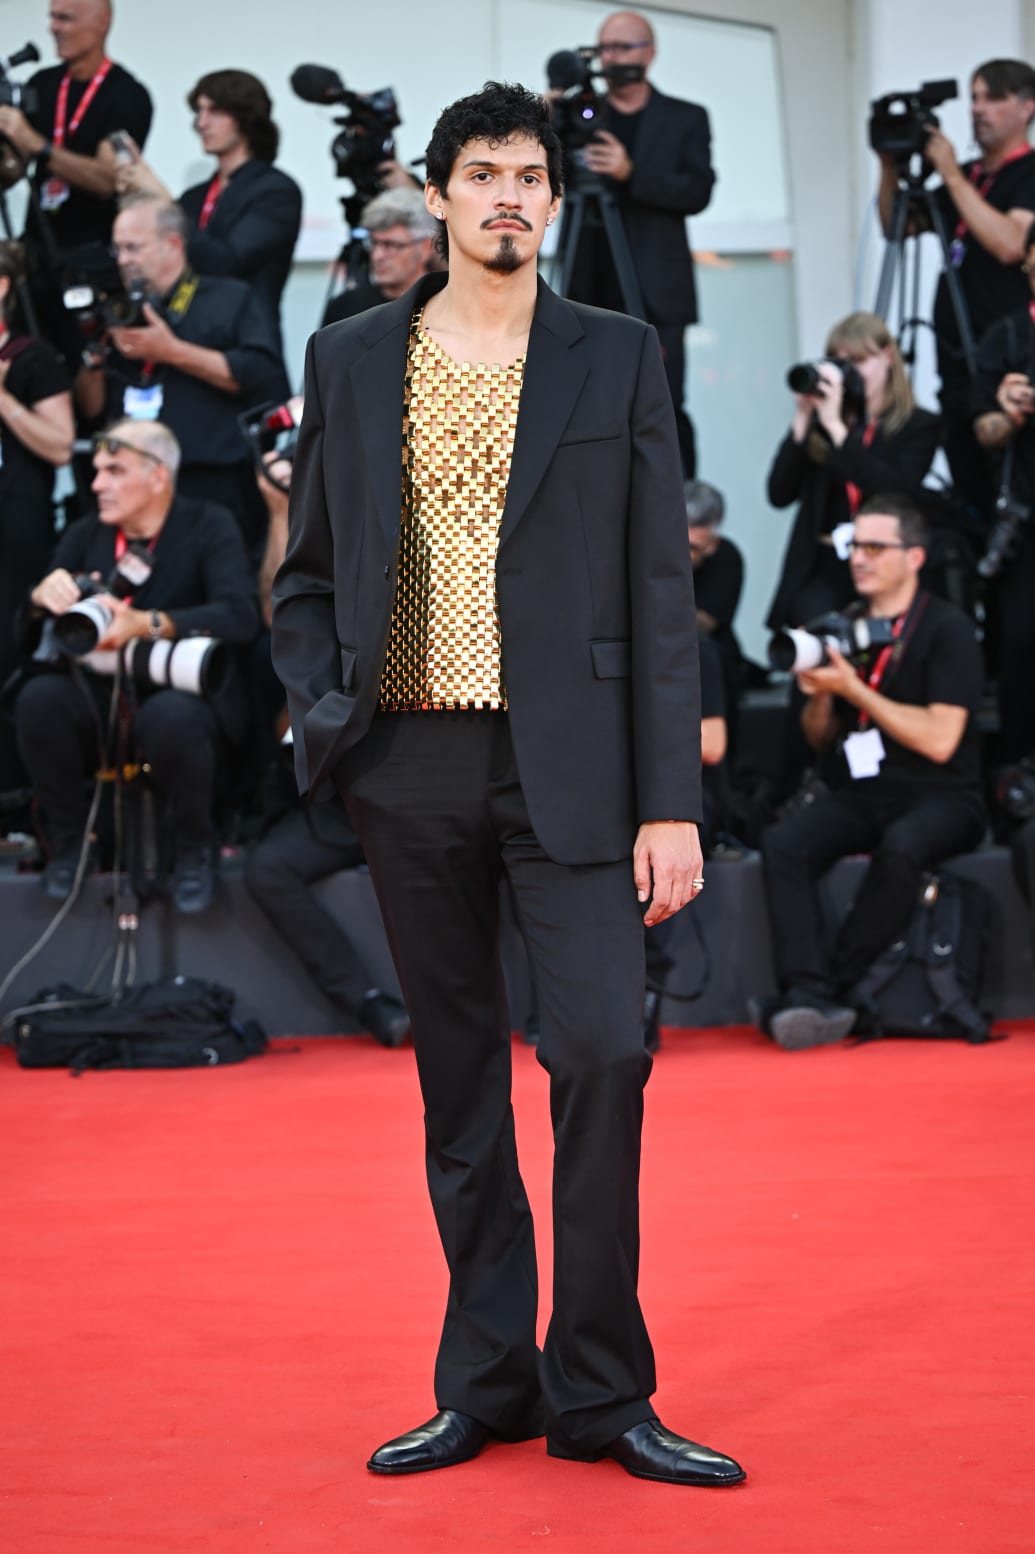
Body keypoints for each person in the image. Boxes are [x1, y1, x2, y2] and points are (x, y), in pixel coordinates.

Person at [272, 81, 744, 1488]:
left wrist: (675, 801)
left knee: (601, 1052)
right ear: (436, 190)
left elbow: (660, 592)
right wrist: (325, 704)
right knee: (458, 1082)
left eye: (526, 175)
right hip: (408, 758)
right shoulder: (352, 354)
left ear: (550, 197)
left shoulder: (614, 352)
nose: (504, 197)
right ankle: (485, 1376)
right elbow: (304, 570)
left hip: (583, 772)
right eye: (479, 172)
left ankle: (602, 1386)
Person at [755, 495, 986, 1050]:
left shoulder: (948, 628)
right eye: (853, 545)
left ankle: (831, 989)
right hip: (864, 788)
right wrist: (817, 696)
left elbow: (940, 739)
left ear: (914, 557)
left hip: (946, 793)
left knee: (903, 845)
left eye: (874, 547)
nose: (859, 558)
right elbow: (819, 739)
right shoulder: (840, 626)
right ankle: (806, 992)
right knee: (783, 843)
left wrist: (854, 689)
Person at [15, 418, 259, 910]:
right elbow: (30, 634)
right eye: (97, 470)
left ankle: (194, 849)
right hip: (99, 696)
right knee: (39, 701)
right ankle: (68, 847)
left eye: (113, 470)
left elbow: (240, 617)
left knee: (171, 717)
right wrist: (41, 599)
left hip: (181, 698)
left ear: (157, 476)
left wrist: (148, 623)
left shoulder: (209, 524)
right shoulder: (87, 534)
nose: (97, 483)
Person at [245, 444, 411, 1049]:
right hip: (338, 795)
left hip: (410, 773)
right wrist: (281, 508)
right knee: (266, 870)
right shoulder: (315, 549)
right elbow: (277, 611)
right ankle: (368, 1003)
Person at [74, 195, 286, 553]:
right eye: (118, 250)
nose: (123, 260)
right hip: (133, 485)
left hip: (212, 480)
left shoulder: (231, 298)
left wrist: (170, 351)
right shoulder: (119, 308)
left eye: (133, 247)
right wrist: (95, 354)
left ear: (172, 244)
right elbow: (90, 408)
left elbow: (262, 379)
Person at [877, 59, 1035, 515]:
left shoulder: (1026, 174)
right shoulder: (968, 176)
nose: (978, 110)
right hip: (954, 358)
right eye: (974, 98)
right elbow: (896, 227)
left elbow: (1012, 244)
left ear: (1026, 108)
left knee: (1004, 492)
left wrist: (950, 174)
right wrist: (890, 167)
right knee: (967, 493)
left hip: (1006, 361)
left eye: (993, 98)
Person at [562, 9, 714, 476]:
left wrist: (631, 174)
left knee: (662, 406)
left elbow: (696, 191)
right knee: (580, 409)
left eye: (624, 47)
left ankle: (675, 511)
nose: (614, 58)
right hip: (586, 282)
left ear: (649, 52)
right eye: (605, 48)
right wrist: (544, 113)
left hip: (656, 292)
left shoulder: (685, 117)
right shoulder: (574, 116)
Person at [0, 0, 152, 368]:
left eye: (65, 18)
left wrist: (35, 143)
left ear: (102, 23)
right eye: (52, 17)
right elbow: (11, 173)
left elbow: (106, 179)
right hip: (35, 263)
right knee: (31, 371)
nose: (54, 28)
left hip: (94, 267)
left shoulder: (125, 94)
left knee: (92, 375)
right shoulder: (42, 85)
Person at [115, 69, 302, 366]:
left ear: (245, 117)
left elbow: (226, 262)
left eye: (214, 111)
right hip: (185, 334)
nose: (200, 123)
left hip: (244, 345)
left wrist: (162, 199)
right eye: (199, 111)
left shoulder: (277, 191)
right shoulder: (195, 196)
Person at [0, 240, 74, 796]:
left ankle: (18, 796)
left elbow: (60, 445)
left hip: (16, 532)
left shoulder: (32, 358)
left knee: (12, 650)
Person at [972, 218, 1035, 767]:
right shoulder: (1008, 337)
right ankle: (1017, 776)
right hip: (1024, 522)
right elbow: (981, 431)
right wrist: (1007, 413)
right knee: (1020, 648)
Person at [322, 188, 437, 326]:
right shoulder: (346, 309)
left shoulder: (447, 308)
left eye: (391, 245)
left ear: (426, 247)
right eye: (374, 243)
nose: (377, 256)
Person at [684, 478, 743, 744]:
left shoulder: (727, 558)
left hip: (710, 652)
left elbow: (707, 623)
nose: (683, 556)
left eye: (693, 548)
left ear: (713, 542)